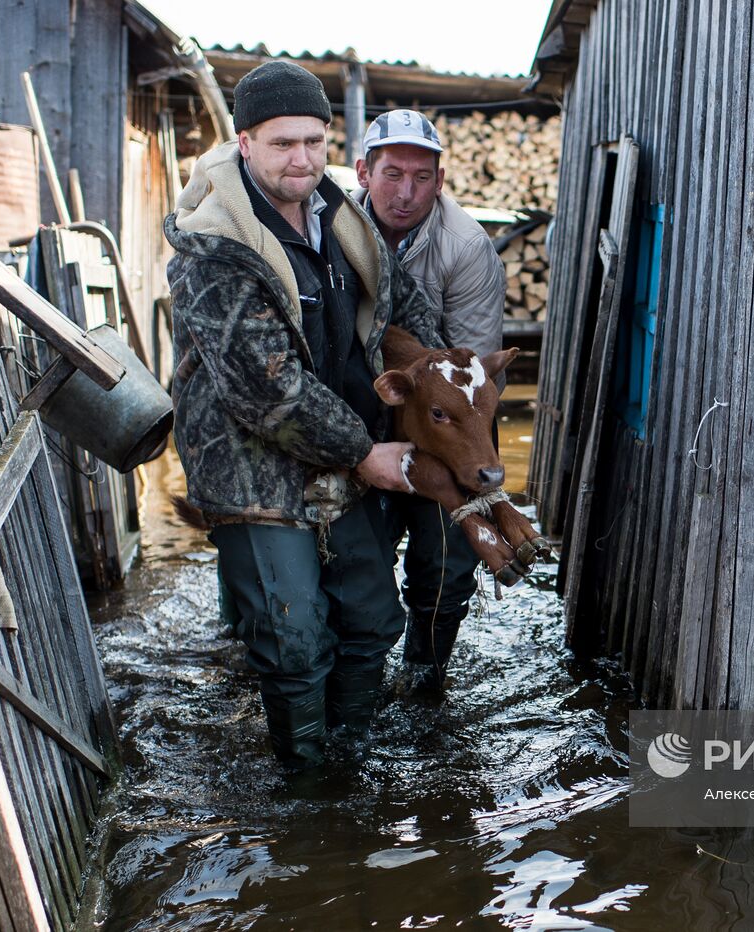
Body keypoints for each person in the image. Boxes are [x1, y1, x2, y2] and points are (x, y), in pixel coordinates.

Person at [164, 61, 442, 768]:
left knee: (374, 620)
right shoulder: (214, 245)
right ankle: (305, 788)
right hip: (253, 465)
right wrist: (365, 454)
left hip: (344, 452)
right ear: (245, 141)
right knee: (293, 641)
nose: (303, 159)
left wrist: (440, 386)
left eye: (315, 142)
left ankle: (349, 757)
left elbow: (402, 308)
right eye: (284, 143)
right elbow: (268, 390)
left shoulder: (341, 218)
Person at [355, 109, 507, 693]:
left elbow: (470, 380)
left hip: (438, 419)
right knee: (350, 550)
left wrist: (447, 472)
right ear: (365, 173)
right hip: (355, 408)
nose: (406, 192)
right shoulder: (325, 228)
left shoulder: (466, 248)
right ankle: (356, 684)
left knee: (445, 554)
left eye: (422, 178)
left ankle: (425, 677)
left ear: (440, 181)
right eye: (392, 174)